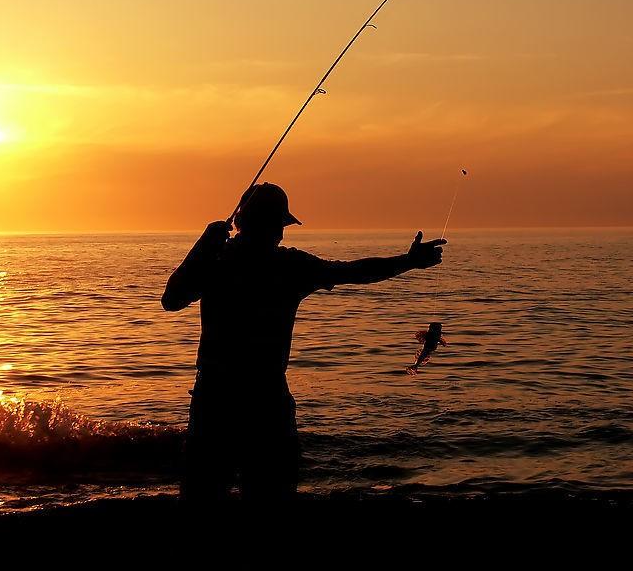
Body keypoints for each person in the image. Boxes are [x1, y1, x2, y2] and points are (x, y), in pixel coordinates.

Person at [161, 182, 445, 502]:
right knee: (269, 496)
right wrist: (407, 262)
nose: (280, 234)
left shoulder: (220, 260)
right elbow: (355, 272)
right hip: (261, 400)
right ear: (269, 225)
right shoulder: (282, 266)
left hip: (217, 398)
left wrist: (200, 251)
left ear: (239, 219)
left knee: (204, 497)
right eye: (278, 225)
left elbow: (172, 299)